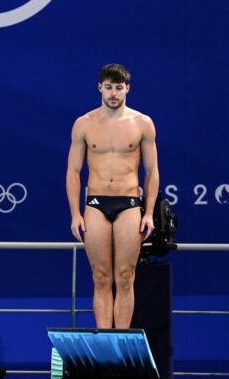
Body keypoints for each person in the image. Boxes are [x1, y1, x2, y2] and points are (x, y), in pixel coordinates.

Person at [66, 64, 159, 329]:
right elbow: (73, 171)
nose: (114, 94)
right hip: (95, 205)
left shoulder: (142, 123)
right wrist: (75, 213)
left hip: (129, 204)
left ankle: (122, 343)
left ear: (127, 88)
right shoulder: (84, 124)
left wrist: (149, 213)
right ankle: (106, 343)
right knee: (101, 277)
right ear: (99, 88)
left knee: (126, 276)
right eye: (108, 87)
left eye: (119, 88)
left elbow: (152, 171)